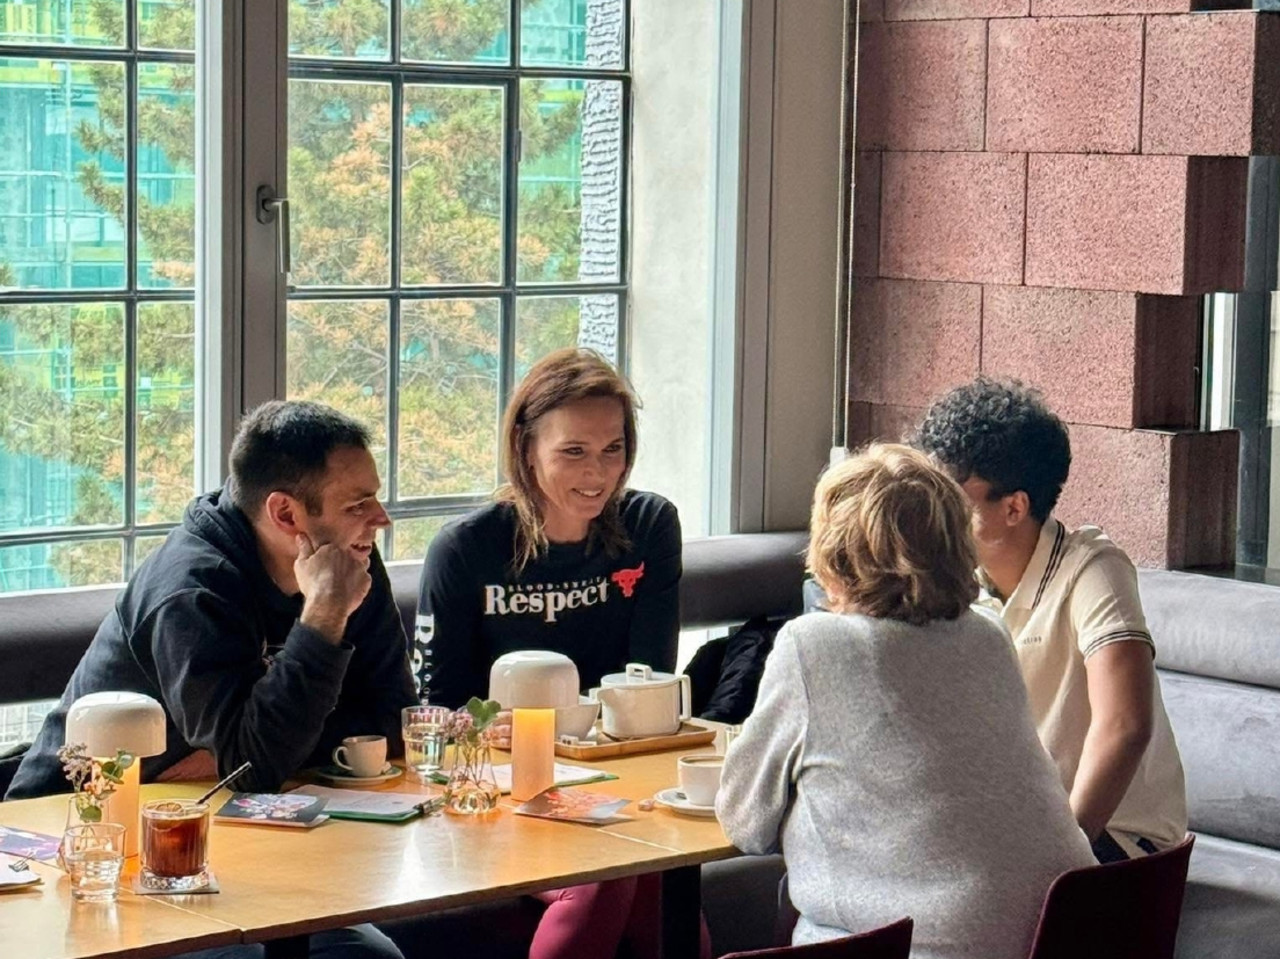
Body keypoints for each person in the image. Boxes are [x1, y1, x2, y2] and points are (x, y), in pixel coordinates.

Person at [7, 400, 417, 959]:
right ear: (286, 513)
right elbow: (256, 765)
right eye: (357, 504)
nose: (381, 518)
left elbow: (393, 721)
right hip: (85, 857)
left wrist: (231, 759)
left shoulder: (346, 563)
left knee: (366, 958)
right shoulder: (192, 589)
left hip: (246, 846)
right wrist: (322, 617)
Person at [717, 444, 1095, 958]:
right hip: (1069, 932)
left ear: (834, 552)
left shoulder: (815, 647)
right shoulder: (988, 634)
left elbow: (745, 822)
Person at [415, 347, 689, 959]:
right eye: (574, 451)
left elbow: (650, 686)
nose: (598, 472)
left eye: (613, 449)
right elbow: (436, 715)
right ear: (526, 448)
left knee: (661, 885)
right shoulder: (465, 548)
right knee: (612, 875)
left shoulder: (649, 526)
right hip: (501, 788)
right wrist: (496, 731)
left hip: (618, 784)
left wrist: (569, 735)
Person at [914, 377, 1187, 863]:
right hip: (1019, 830)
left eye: (948, 496)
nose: (931, 512)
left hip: (1121, 841)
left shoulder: (1093, 569)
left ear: (1013, 508)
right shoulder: (960, 582)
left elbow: (1125, 725)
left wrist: (1062, 854)